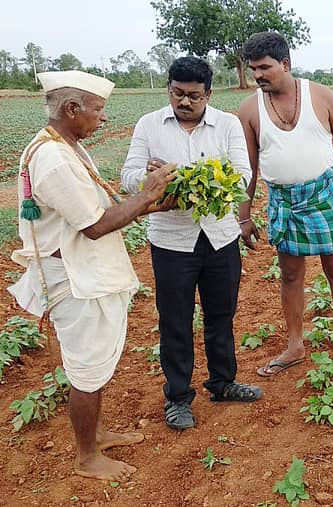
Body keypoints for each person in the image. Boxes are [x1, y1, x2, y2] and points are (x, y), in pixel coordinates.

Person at [8, 70, 176, 480]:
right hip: (75, 275)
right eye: (98, 109)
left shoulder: (65, 146)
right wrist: (147, 193)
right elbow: (96, 224)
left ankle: (97, 433)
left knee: (95, 363)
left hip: (84, 267)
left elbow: (100, 206)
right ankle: (87, 457)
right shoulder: (52, 159)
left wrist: (154, 204)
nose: (103, 118)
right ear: (72, 108)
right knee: (86, 368)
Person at [121, 56, 263, 431]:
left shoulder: (228, 124)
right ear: (169, 89)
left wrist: (195, 178)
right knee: (175, 321)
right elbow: (129, 176)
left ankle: (223, 382)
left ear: (208, 94)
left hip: (220, 237)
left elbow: (242, 173)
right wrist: (151, 180)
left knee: (221, 314)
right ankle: (178, 397)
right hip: (170, 241)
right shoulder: (149, 125)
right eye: (177, 94)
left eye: (193, 96)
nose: (184, 102)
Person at [236, 32, 333, 376]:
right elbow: (248, 168)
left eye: (265, 68)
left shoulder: (319, 95)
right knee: (291, 275)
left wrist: (322, 179)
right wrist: (243, 216)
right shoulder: (249, 109)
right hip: (283, 201)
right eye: (254, 70)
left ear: (285, 64)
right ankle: (295, 345)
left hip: (323, 196)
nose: (259, 75)